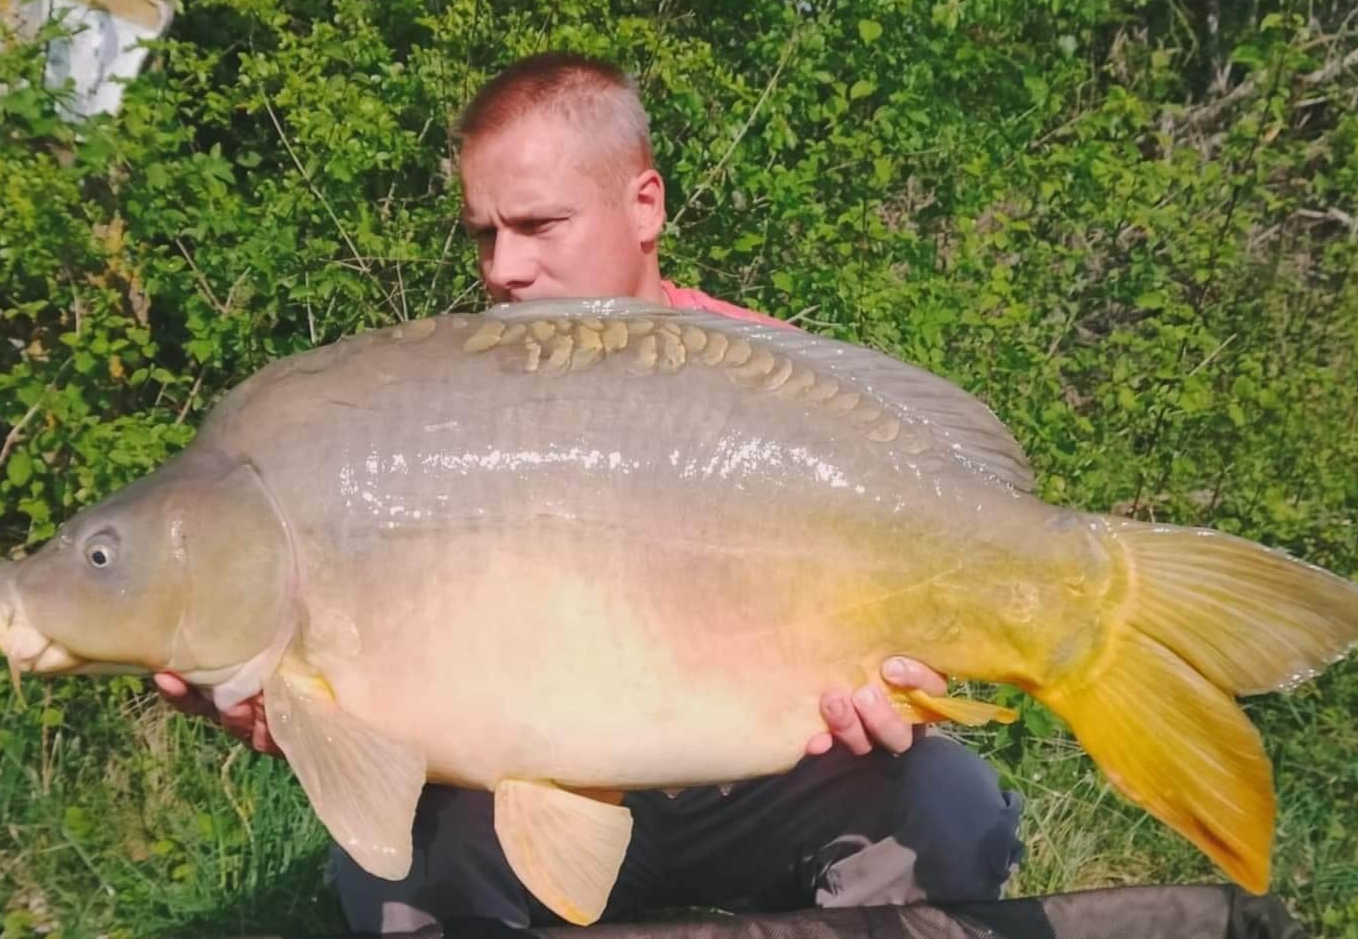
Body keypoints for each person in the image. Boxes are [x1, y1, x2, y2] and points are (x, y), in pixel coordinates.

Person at [156, 52, 1024, 934]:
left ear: (644, 204)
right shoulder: (432, 405)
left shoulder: (776, 387)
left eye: (539, 224)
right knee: (405, 874)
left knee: (948, 803)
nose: (504, 269)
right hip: (516, 792)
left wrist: (913, 674)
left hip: (758, 784)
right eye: (484, 234)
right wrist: (279, 696)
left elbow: (920, 581)